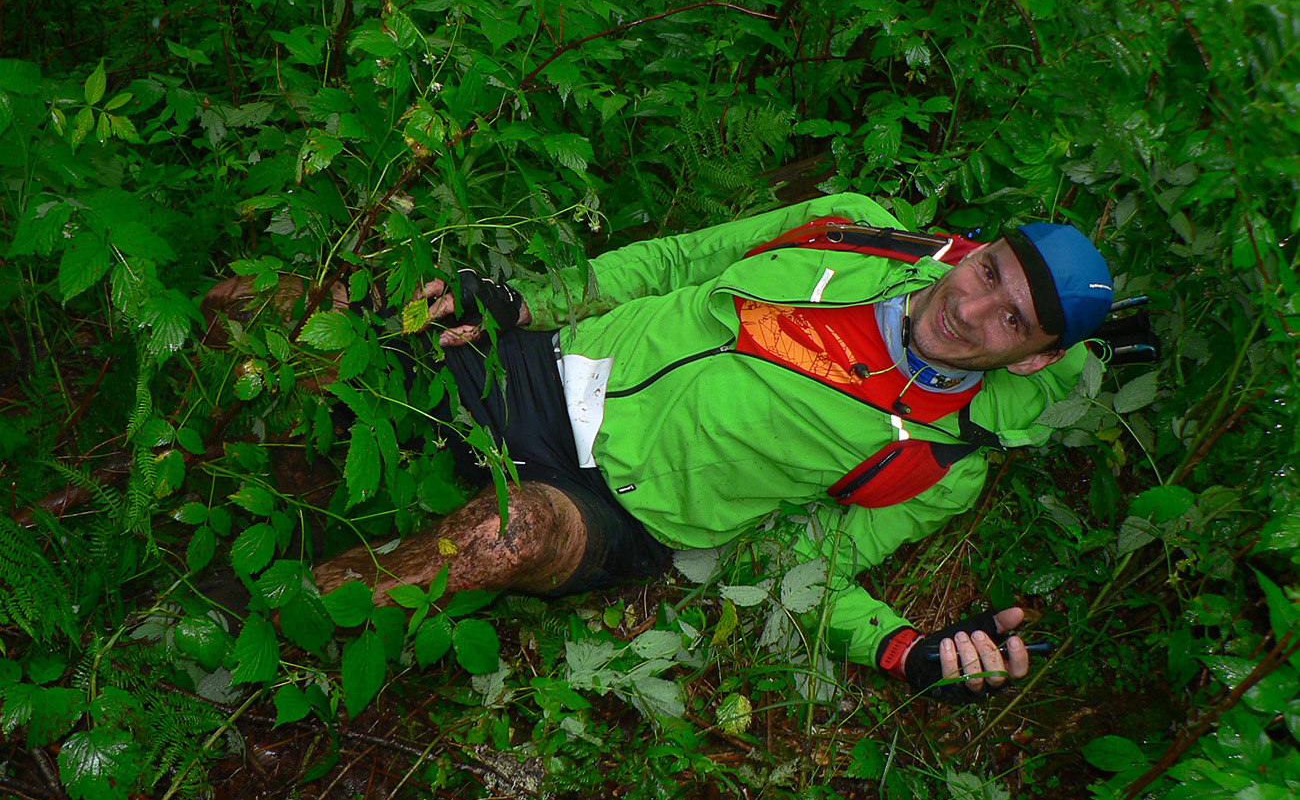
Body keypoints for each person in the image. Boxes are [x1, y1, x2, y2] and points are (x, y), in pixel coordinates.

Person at [310, 193, 1114, 703]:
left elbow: (815, 564)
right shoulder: (856, 228)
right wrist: (524, 302)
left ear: (1034, 358)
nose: (972, 310)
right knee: (322, 317)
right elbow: (680, 259)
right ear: (976, 249)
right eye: (988, 273)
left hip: (616, 510)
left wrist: (901, 647)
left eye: (1012, 320)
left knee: (509, 530)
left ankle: (294, 611)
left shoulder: (945, 460)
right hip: (554, 368)